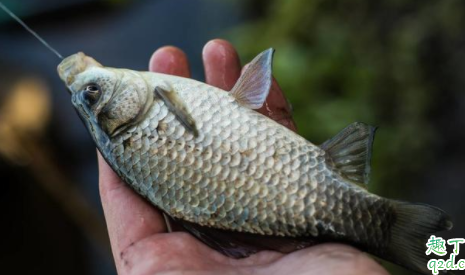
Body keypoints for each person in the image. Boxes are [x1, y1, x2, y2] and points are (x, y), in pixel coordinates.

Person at [98, 39, 389, 275]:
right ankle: (436, 256)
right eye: (93, 93)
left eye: (92, 92)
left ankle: (435, 256)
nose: (94, 87)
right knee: (426, 246)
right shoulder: (145, 113)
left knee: (426, 247)